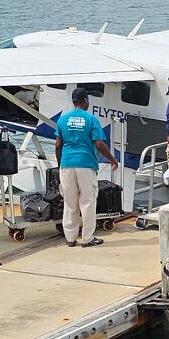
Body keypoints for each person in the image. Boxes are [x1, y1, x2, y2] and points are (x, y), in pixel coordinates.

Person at [54, 88, 119, 247]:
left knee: (70, 202)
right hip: (86, 164)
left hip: (67, 165)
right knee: (87, 201)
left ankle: (70, 238)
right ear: (85, 101)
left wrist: (60, 163)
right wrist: (112, 159)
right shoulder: (91, 120)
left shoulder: (63, 120)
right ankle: (88, 238)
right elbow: (98, 143)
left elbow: (58, 144)